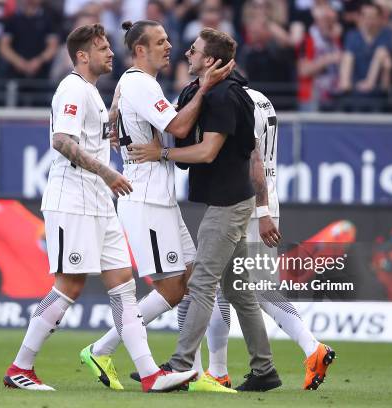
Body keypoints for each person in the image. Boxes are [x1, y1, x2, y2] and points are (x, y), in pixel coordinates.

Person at [3, 23, 196, 393]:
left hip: (100, 203)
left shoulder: (90, 91)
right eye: (102, 48)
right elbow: (62, 140)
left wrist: (116, 111)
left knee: (123, 287)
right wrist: (108, 172)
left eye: (109, 46)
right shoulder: (72, 88)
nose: (110, 53)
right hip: (72, 201)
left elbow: (96, 132)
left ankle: (151, 375)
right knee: (69, 287)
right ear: (82, 55)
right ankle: (20, 367)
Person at [78, 19, 235, 393]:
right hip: (144, 200)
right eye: (161, 42)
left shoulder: (139, 85)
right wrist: (206, 87)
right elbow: (179, 127)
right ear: (140, 50)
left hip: (161, 200)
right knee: (172, 289)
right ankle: (101, 349)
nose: (169, 46)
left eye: (168, 40)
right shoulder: (138, 83)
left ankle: (196, 373)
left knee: (198, 282)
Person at [129, 28, 282, 392]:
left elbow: (206, 152)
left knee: (200, 284)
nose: (186, 53)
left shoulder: (226, 97)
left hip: (230, 205)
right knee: (239, 291)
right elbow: (181, 132)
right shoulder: (202, 92)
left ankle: (181, 365)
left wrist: (160, 153)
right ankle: (264, 370)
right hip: (226, 200)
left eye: (194, 51)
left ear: (210, 61)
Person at [202, 86, 336, 390]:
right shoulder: (262, 98)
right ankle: (312, 348)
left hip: (244, 201)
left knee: (221, 286)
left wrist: (259, 209)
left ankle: (218, 371)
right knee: (260, 289)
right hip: (266, 199)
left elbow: (253, 156)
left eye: (196, 53)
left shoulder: (232, 100)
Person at [0, 0, 58, 106]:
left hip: (41, 74)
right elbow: (3, 46)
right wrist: (19, 62)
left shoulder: (48, 19)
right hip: (15, 73)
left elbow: (52, 46)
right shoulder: (13, 19)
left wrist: (38, 61)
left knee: (41, 109)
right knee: (13, 108)